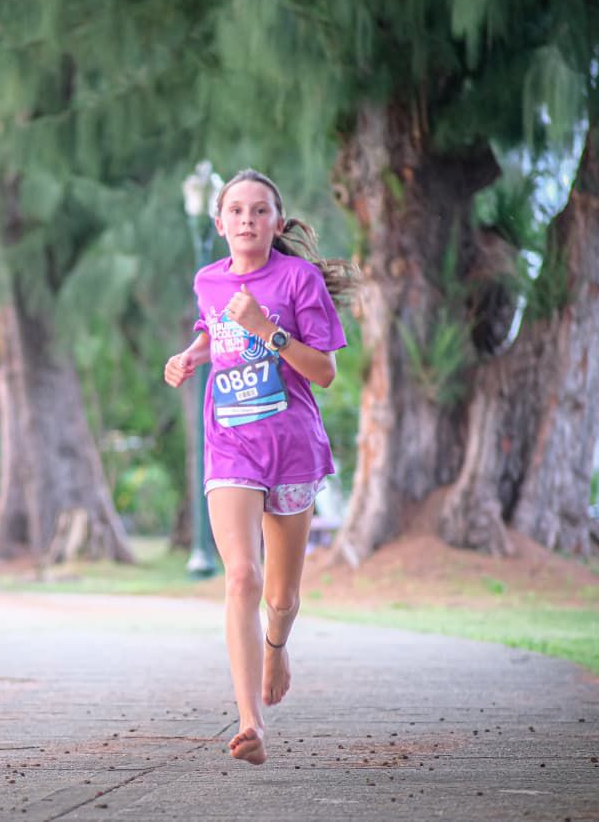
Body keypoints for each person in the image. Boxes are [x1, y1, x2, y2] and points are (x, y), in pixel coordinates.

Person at [163, 169, 355, 767]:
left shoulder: (297, 279)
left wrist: (266, 331)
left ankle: (276, 648)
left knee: (283, 597)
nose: (247, 219)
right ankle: (251, 724)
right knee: (242, 577)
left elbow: (323, 371)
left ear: (277, 222)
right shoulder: (208, 280)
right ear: (219, 224)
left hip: (292, 447)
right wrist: (189, 356)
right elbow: (211, 330)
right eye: (236, 211)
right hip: (231, 446)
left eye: (260, 210)